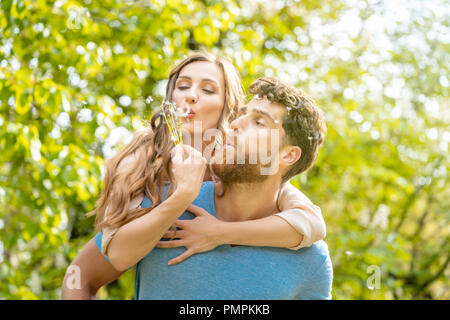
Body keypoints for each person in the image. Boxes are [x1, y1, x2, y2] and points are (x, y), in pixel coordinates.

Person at [61, 53, 326, 298]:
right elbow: (94, 267)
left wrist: (221, 232)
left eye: (208, 89)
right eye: (182, 86)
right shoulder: (150, 182)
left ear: (227, 107)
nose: (191, 97)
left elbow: (308, 219)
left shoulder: (308, 255)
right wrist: (181, 197)